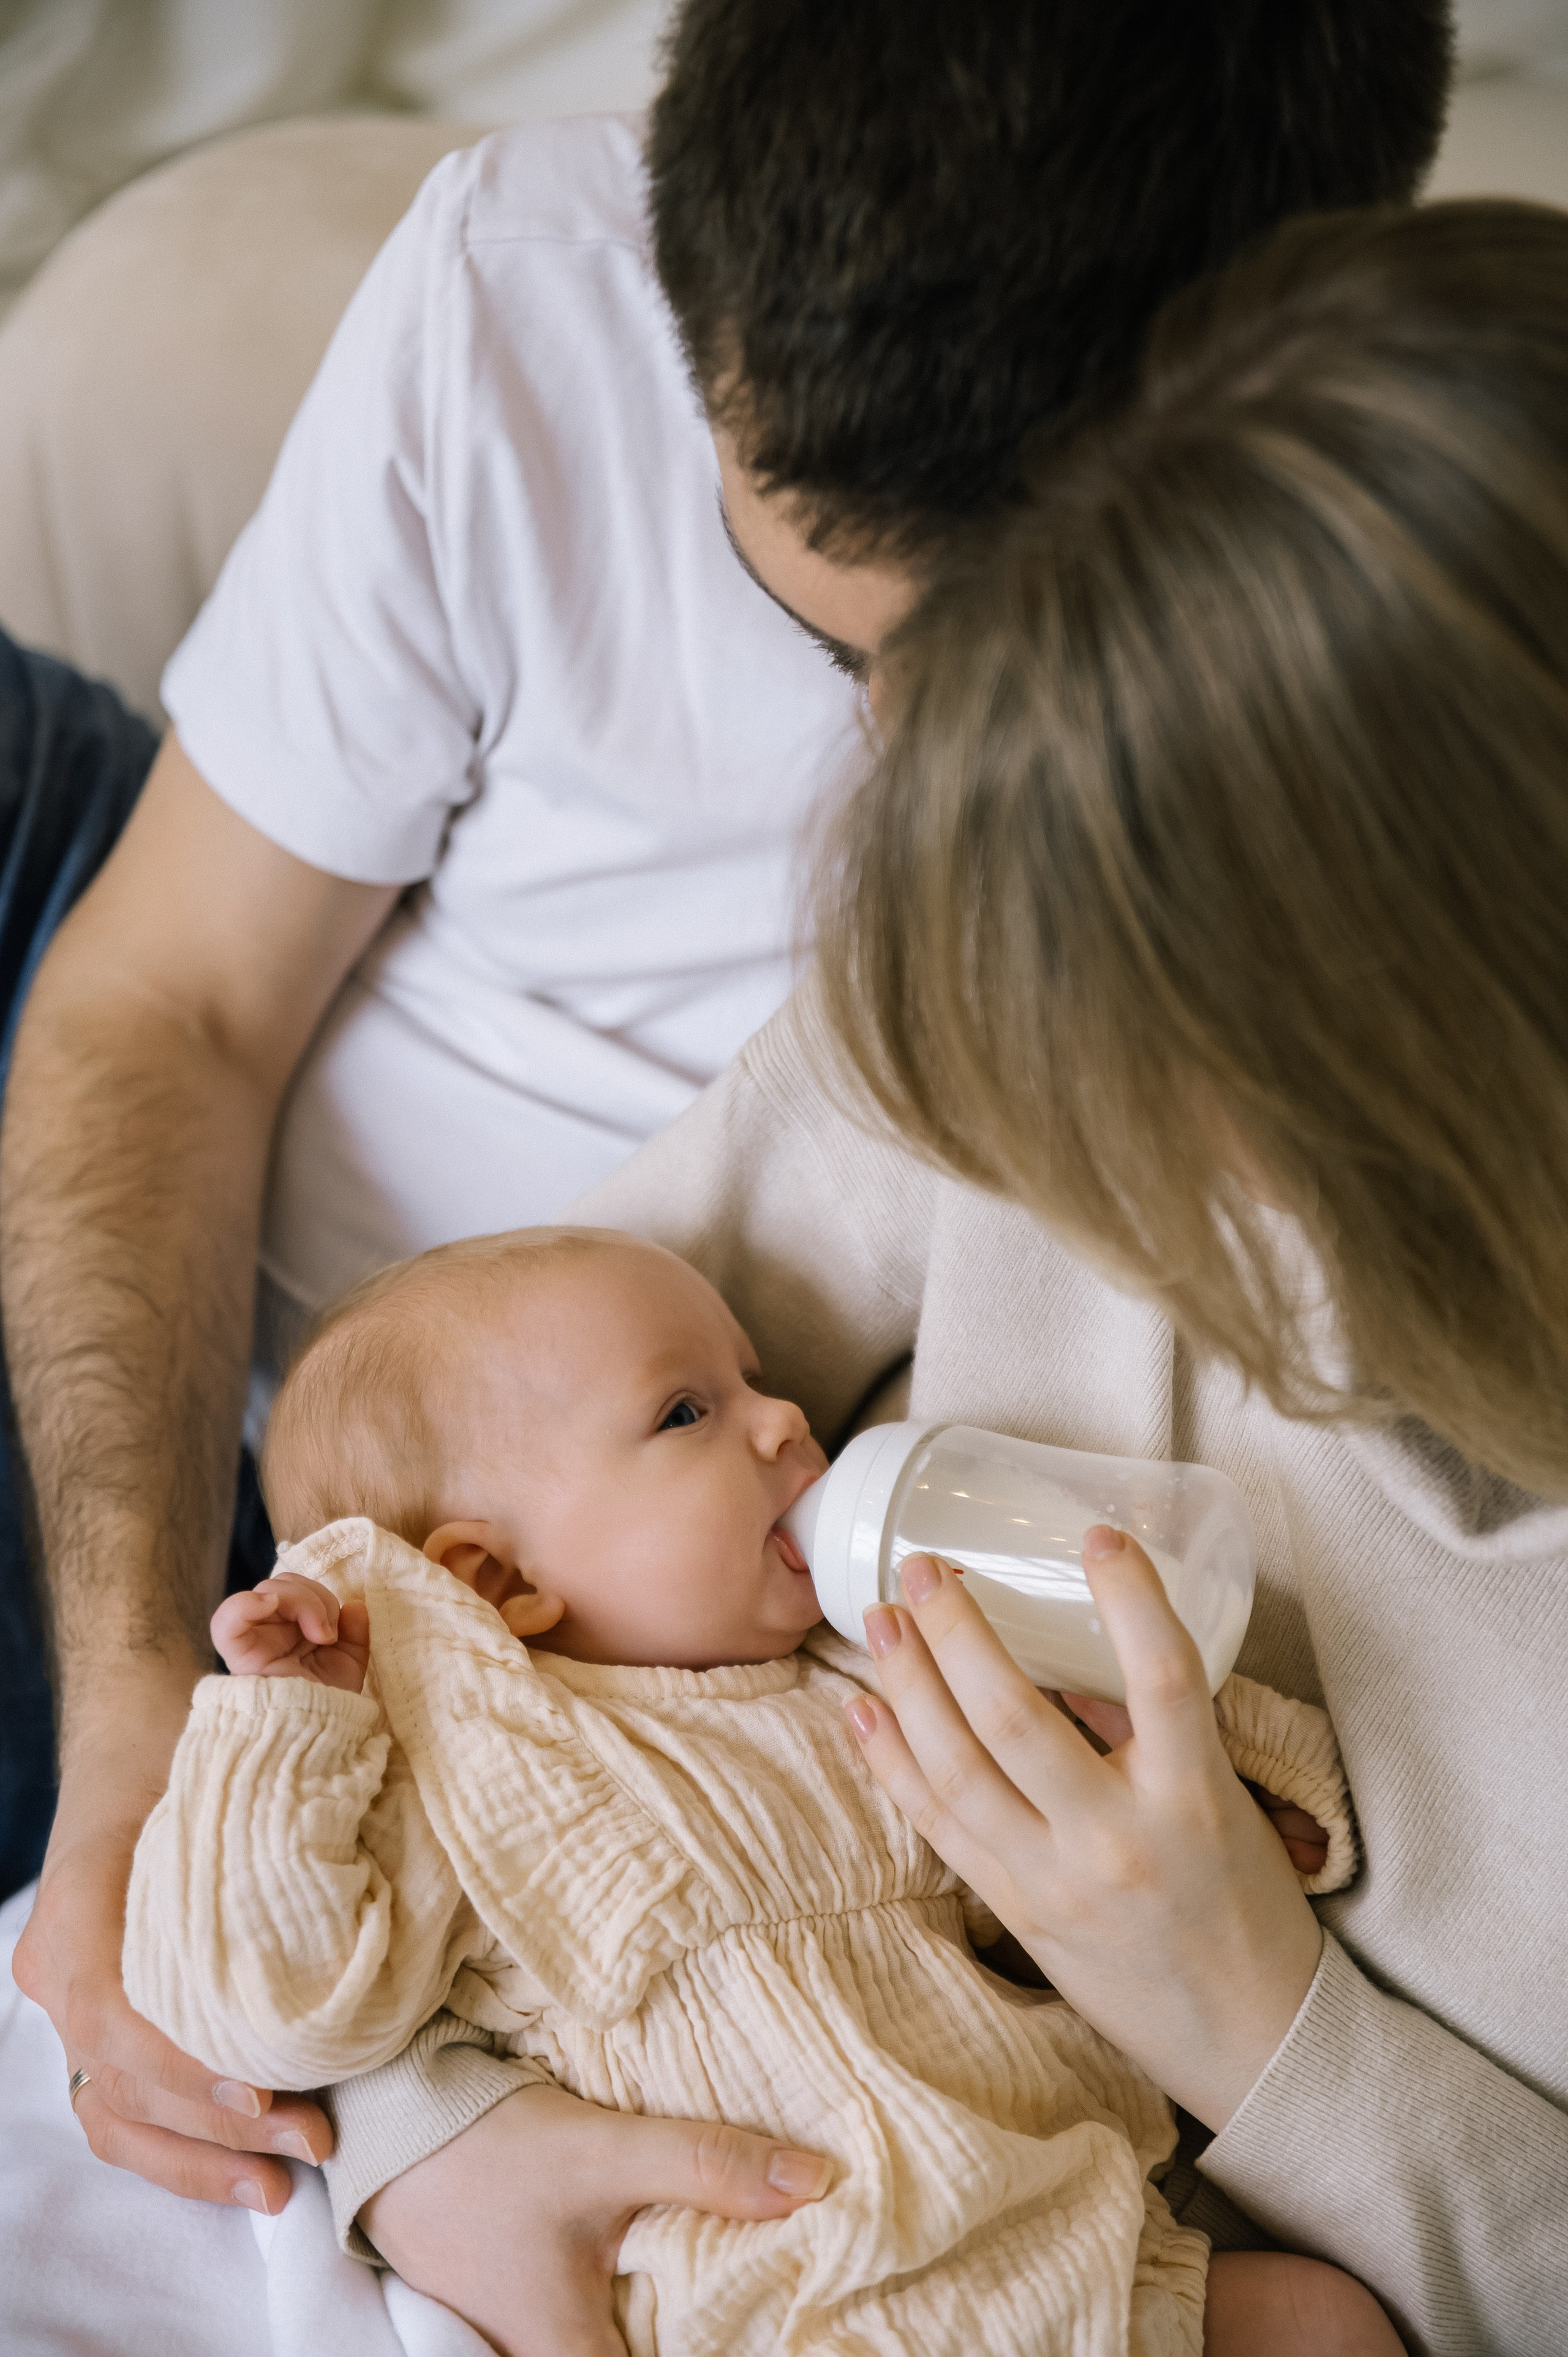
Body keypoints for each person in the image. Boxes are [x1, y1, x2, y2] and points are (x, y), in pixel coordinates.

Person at [0, 0, 1453, 2301]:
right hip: (176, 1427)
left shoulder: (1297, 787)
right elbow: (163, 1003)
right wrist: (139, 1738)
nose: (886, 756)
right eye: (812, 620)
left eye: (968, 649)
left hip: (513, 1573)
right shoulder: (540, 285)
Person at [123, 1224, 1389, 2357]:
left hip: (1071, 2250)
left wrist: (1246, 1785)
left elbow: (1133, 1736)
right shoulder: (464, 1768)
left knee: (1321, 2320)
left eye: (754, 1380)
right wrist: (290, 1728)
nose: (783, 1419)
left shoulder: (877, 1661)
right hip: (781, 2301)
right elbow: (266, 2000)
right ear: (495, 1578)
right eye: (686, 1412)